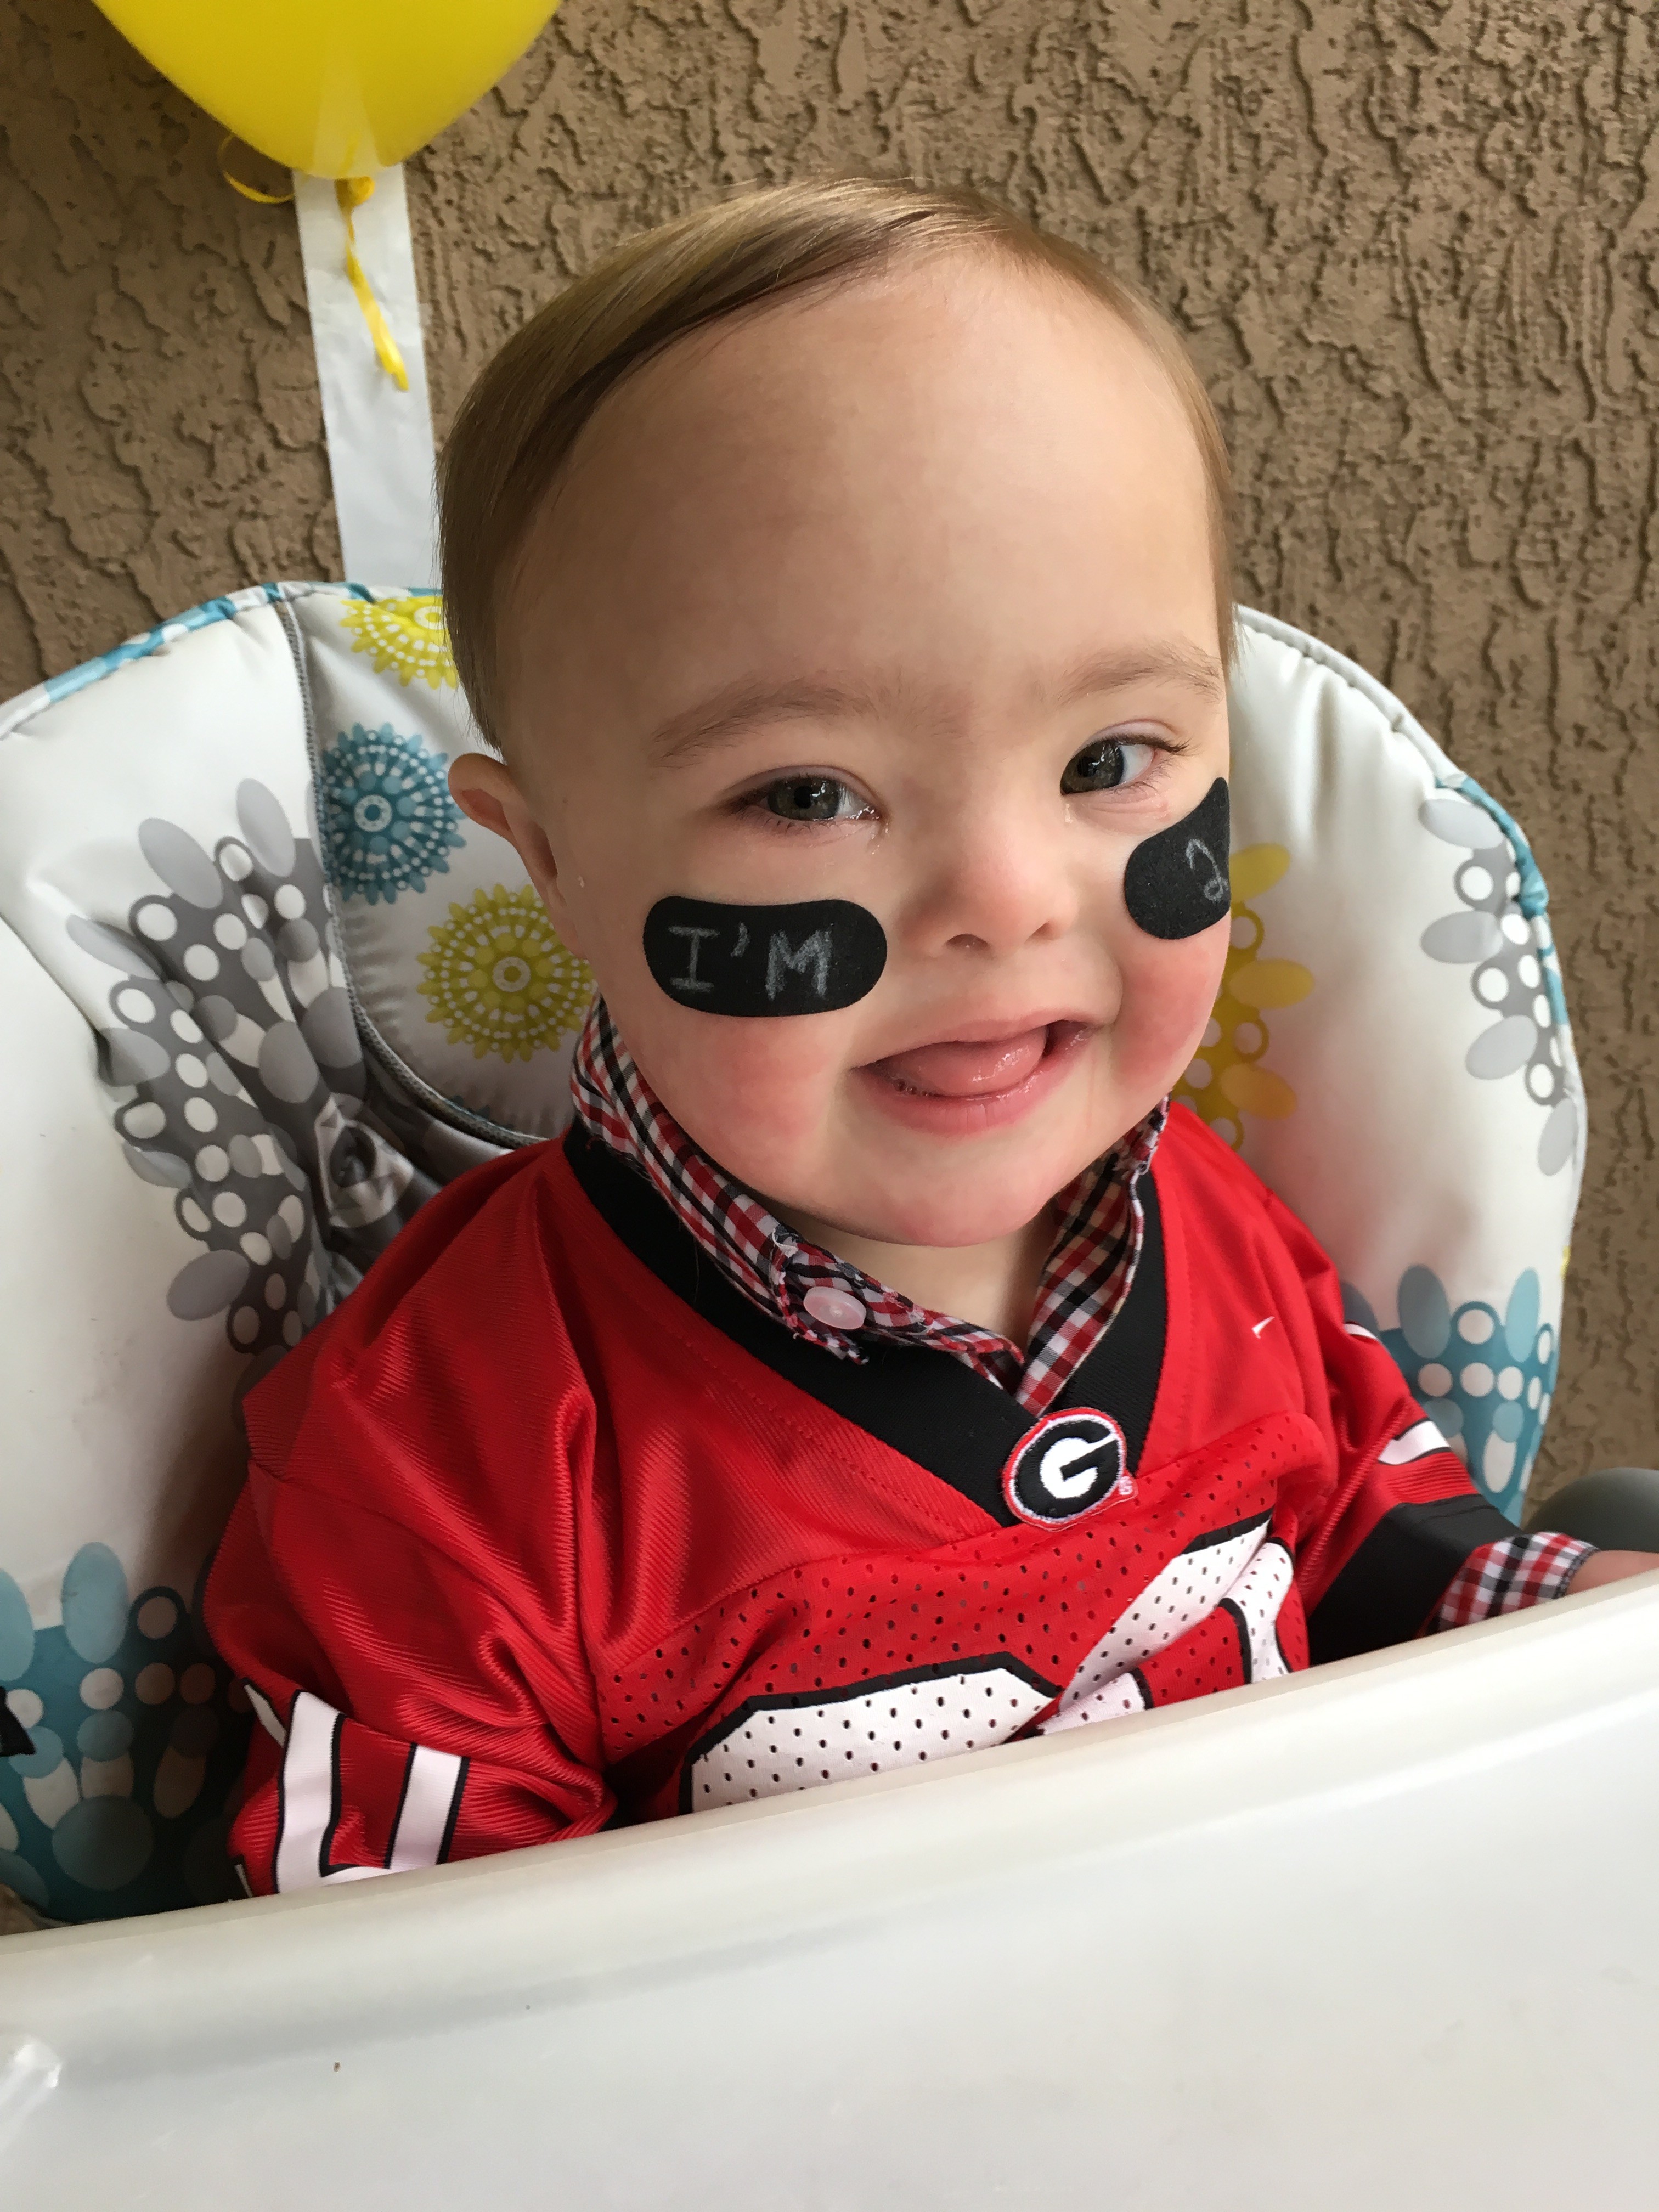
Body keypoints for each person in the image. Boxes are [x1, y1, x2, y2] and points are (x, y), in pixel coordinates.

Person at [204, 177, 1656, 1895]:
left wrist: (1562, 1627)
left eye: (1111, 762)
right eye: (809, 793)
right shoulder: (445, 1468)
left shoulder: (1212, 1221)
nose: (1003, 895)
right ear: (555, 870)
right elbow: (393, 2028)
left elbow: (1368, 1546)